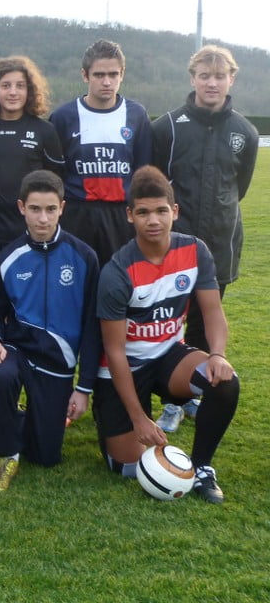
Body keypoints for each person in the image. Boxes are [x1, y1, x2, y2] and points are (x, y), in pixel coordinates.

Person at [93, 166, 240, 503]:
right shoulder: (116, 273)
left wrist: (216, 354)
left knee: (225, 381)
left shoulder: (195, 251)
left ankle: (202, 466)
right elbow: (114, 351)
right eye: (143, 212)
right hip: (124, 367)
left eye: (161, 210)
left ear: (174, 211)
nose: (153, 220)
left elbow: (213, 312)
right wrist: (138, 417)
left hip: (169, 356)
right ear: (130, 216)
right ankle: (128, 421)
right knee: (125, 467)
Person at [151, 45, 258, 432]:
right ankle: (170, 399)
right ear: (192, 77)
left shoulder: (244, 132)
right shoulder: (166, 127)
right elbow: (154, 187)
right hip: (172, 247)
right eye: (204, 75)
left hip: (221, 246)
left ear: (231, 78)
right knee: (165, 323)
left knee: (201, 326)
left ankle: (191, 395)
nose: (212, 83)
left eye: (219, 76)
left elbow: (239, 187)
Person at [0, 170, 100, 491]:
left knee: (45, 455)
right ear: (21, 208)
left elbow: (92, 327)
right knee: (1, 374)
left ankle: (31, 422)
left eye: (50, 209)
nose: (42, 218)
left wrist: (84, 387)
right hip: (17, 351)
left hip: (57, 364)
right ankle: (6, 453)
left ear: (62, 207)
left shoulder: (84, 258)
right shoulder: (7, 257)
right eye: (35, 209)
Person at [0, 55, 64, 432]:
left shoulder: (43, 130)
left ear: (30, 90)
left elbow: (56, 184)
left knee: (27, 314)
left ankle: (36, 391)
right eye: (5, 85)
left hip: (30, 242)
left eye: (20, 85)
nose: (13, 92)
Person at [49, 39, 152, 266]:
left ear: (122, 74)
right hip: (77, 214)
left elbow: (143, 172)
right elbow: (54, 174)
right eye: (99, 75)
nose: (107, 82)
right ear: (85, 75)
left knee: (119, 283)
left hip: (120, 216)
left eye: (113, 74)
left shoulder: (136, 114)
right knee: (76, 282)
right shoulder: (63, 117)